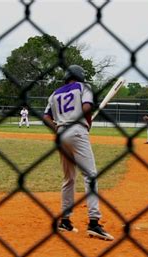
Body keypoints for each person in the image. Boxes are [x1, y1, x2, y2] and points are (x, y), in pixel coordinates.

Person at [43, 65, 114, 241]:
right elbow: (87, 107)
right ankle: (94, 223)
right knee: (90, 175)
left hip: (60, 133)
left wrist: (58, 128)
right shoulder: (84, 87)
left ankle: (65, 220)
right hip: (77, 132)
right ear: (80, 76)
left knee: (69, 178)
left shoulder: (54, 93)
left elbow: (46, 117)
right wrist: (86, 123)